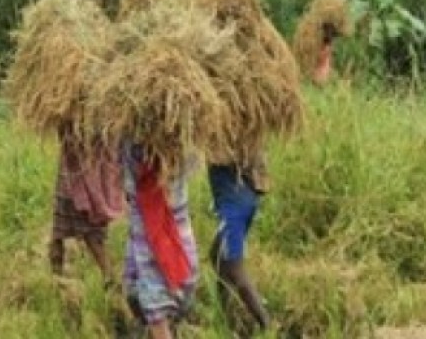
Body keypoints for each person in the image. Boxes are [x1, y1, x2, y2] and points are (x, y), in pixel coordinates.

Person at [122, 144, 199, 339]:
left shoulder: (179, 149)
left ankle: (159, 325)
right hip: (149, 234)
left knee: (165, 297)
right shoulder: (136, 150)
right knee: (150, 299)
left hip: (170, 233)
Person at [49, 123, 123, 286]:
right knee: (59, 232)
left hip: (86, 173)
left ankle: (110, 279)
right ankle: (56, 280)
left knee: (87, 229)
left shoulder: (100, 120)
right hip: (76, 169)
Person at [208, 149, 271, 332]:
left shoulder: (222, 144)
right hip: (244, 200)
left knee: (234, 268)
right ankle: (224, 319)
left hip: (235, 209)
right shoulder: (235, 145)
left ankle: (267, 325)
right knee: (217, 255)